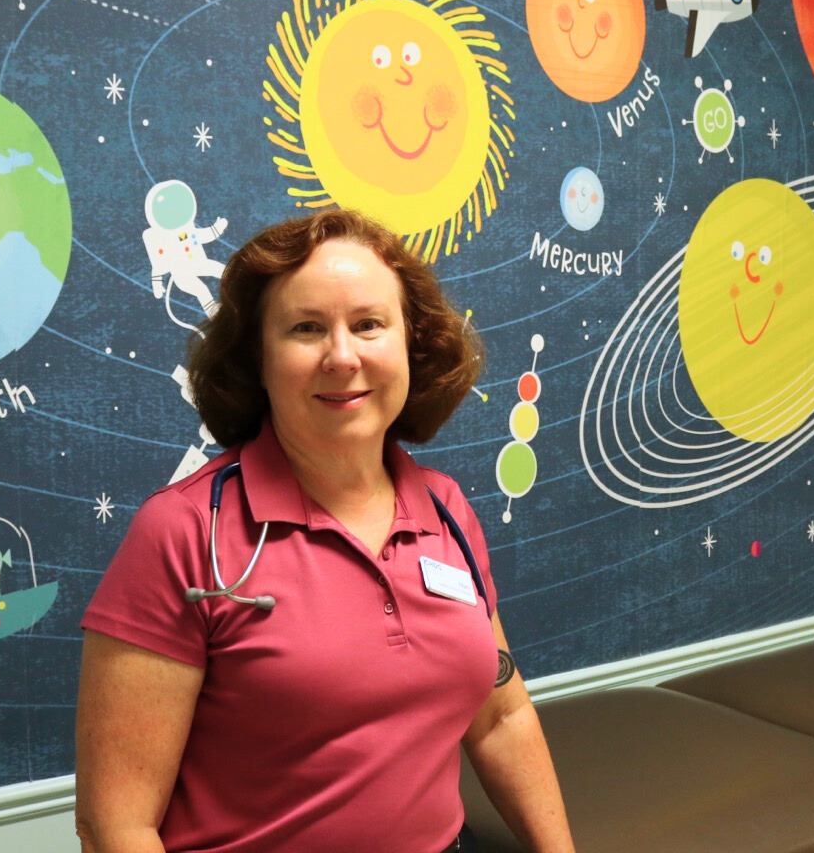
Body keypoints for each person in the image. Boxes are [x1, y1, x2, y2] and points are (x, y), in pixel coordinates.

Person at [76, 210, 575, 853]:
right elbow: (115, 825)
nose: (343, 357)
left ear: (410, 346)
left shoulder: (446, 509)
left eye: (369, 324)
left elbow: (501, 717)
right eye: (307, 329)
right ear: (258, 358)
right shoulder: (183, 534)